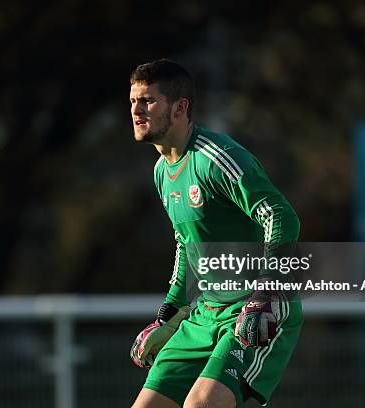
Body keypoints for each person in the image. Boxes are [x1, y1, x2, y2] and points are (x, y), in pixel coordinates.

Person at [128, 59, 303, 408]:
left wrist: (266, 294)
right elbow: (186, 244)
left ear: (180, 108)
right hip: (204, 314)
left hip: (252, 309)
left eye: (148, 101)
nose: (136, 110)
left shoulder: (216, 157)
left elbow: (282, 217)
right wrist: (169, 314)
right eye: (133, 101)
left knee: (202, 404)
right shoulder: (162, 170)